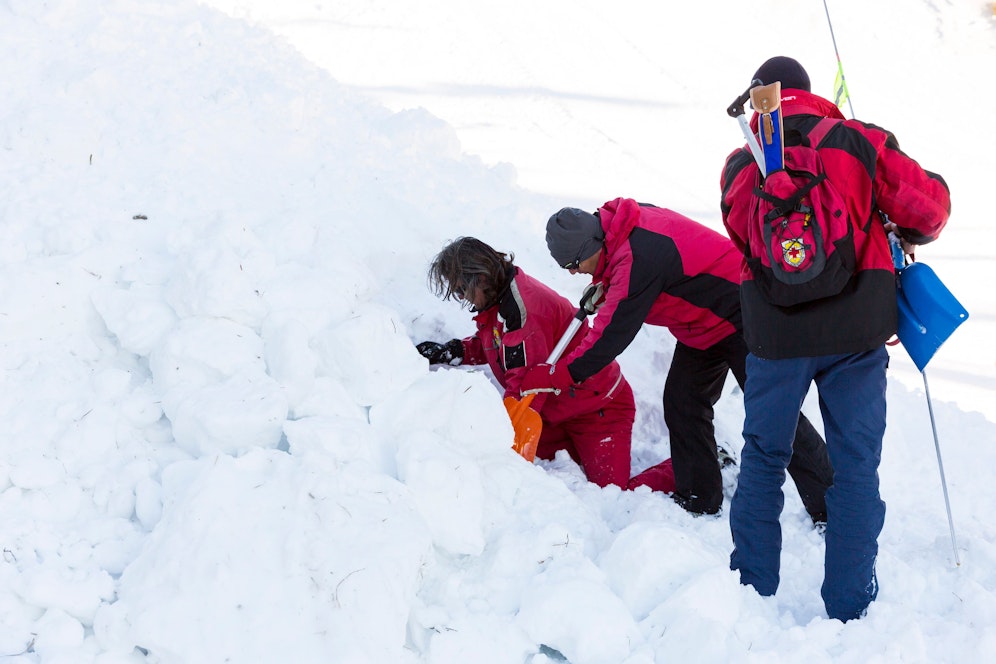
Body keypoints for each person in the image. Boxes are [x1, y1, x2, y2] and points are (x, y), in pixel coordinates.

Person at [719, 56, 951, 621]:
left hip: (775, 336)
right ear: (808, 92)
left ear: (758, 101)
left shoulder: (736, 165)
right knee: (854, 469)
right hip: (857, 330)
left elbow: (741, 232)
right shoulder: (855, 139)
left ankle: (750, 598)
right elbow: (931, 212)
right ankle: (849, 605)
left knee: (763, 459)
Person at [519, 198, 834, 521]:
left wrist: (558, 376)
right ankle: (700, 496)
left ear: (590, 245)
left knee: (775, 416)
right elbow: (636, 271)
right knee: (683, 403)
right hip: (704, 325)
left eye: (574, 264)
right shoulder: (619, 226)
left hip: (747, 315)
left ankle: (833, 507)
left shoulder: (638, 257)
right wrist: (605, 282)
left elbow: (610, 337)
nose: (573, 272)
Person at [416, 236, 676, 493]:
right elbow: (498, 342)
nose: (463, 298)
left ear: (481, 278)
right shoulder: (501, 297)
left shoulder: (523, 311)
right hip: (555, 414)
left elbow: (525, 385)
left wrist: (505, 459)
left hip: (598, 411)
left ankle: (689, 467)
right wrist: (454, 351)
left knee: (614, 493)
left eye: (462, 290)